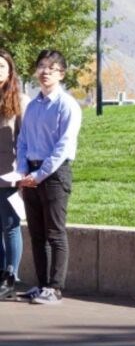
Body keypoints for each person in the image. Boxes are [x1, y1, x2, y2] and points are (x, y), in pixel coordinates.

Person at [15, 49, 82, 305]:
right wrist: (24, 170)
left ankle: (55, 288)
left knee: (55, 233)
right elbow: (23, 141)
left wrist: (40, 175)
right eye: (41, 66)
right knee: (37, 234)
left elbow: (63, 147)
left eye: (51, 68)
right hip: (31, 172)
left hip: (54, 175)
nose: (44, 72)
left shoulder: (68, 106)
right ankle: (41, 285)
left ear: (61, 74)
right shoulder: (32, 106)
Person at [0, 49, 29, 300]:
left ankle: (11, 276)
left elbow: (24, 140)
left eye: (1, 67)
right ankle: (1, 275)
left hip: (9, 174)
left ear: (10, 71)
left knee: (10, 227)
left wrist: (22, 173)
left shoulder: (20, 100)